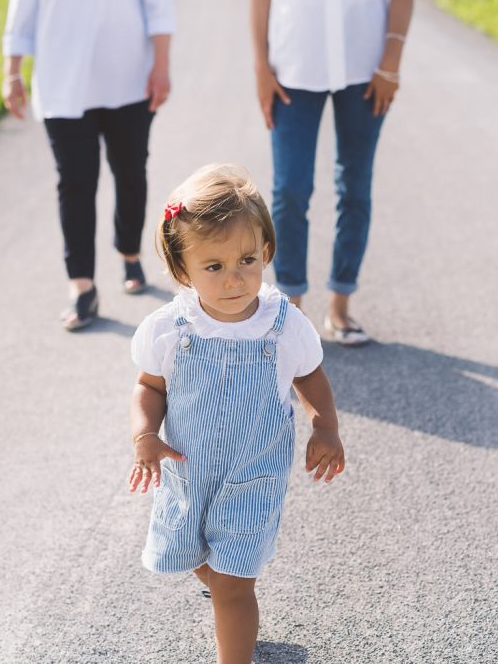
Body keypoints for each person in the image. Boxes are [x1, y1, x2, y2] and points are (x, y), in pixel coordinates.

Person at [127, 164, 346, 663]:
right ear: (183, 271)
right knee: (200, 560)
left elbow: (309, 374)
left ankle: (234, 638)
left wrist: (325, 424)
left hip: (254, 472)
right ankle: (229, 593)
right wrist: (145, 435)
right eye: (214, 267)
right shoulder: (169, 329)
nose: (235, 279)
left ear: (266, 252)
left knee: (231, 582)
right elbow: (148, 386)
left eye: (247, 259)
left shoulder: (281, 324)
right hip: (190, 469)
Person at [1, 0, 175, 330]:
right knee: (75, 183)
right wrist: (12, 72)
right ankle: (82, 287)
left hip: (129, 81)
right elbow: (22, 13)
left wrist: (161, 66)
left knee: (129, 172)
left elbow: (159, 5)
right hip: (62, 86)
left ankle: (130, 253)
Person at [250, 0, 414, 346]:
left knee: (355, 187)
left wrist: (391, 63)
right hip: (292, 69)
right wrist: (261, 66)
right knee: (290, 189)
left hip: (366, 68)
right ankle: (291, 311)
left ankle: (340, 307)